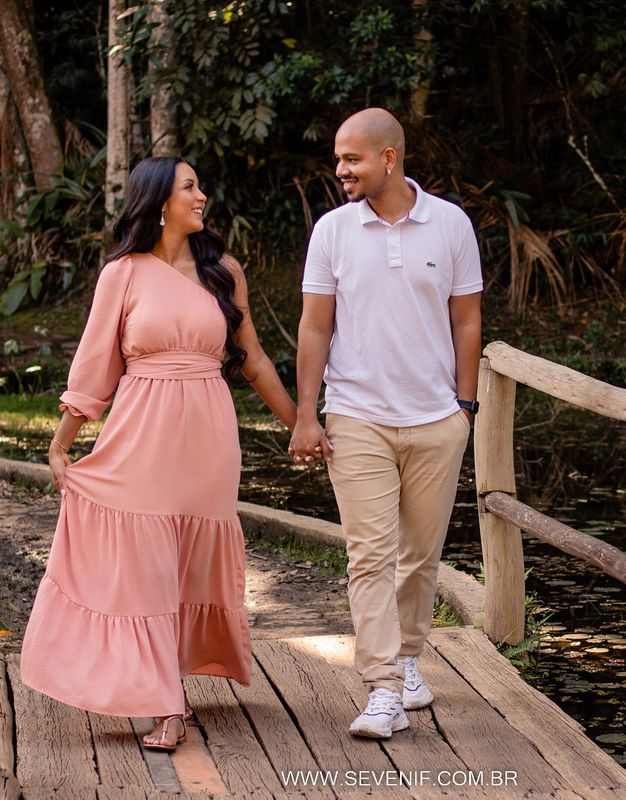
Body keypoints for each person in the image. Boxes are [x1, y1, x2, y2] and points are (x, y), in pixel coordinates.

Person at [20, 156, 298, 751]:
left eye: (200, 184)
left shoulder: (223, 270)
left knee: (188, 558)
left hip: (208, 433)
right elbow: (97, 362)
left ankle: (168, 685)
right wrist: (62, 441)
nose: (202, 196)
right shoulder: (122, 273)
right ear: (159, 201)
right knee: (143, 563)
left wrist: (302, 427)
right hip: (142, 429)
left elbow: (253, 360)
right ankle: (163, 701)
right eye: (190, 187)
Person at [288, 108, 482, 739]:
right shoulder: (332, 231)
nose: (341, 169)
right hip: (357, 417)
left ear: (389, 158)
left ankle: (406, 660)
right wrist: (306, 414)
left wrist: (465, 407)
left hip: (435, 419)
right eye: (339, 159)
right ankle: (382, 689)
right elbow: (315, 326)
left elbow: (466, 321)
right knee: (369, 556)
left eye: (352, 158)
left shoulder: (450, 223)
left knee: (419, 559)